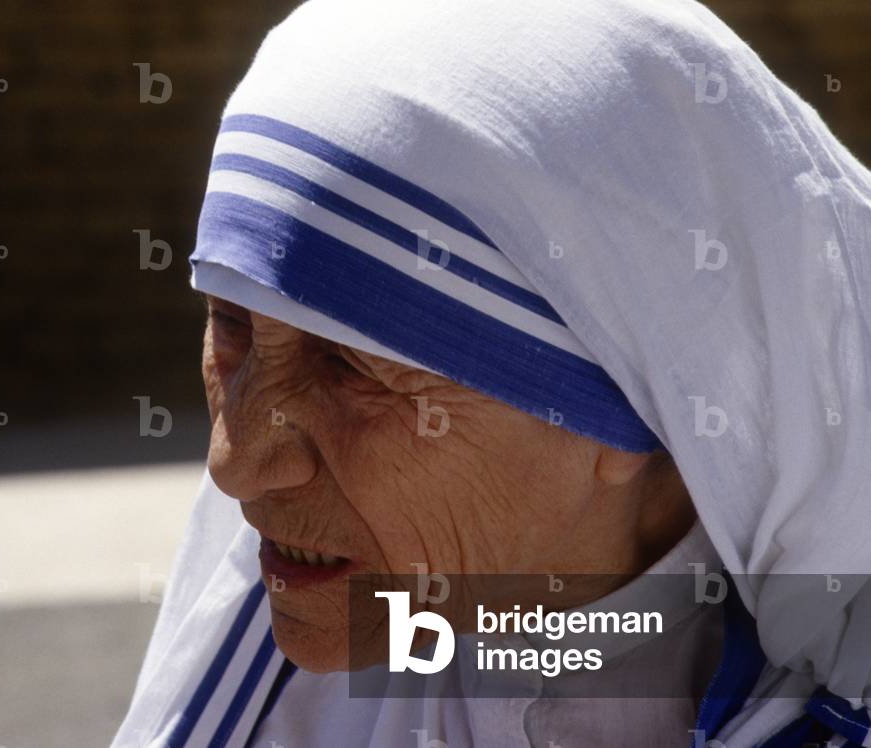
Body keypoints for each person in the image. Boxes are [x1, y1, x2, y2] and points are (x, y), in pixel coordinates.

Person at [112, 0, 871, 745]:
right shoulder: (286, 700)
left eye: (351, 369)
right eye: (232, 325)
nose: (236, 464)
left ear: (643, 413)